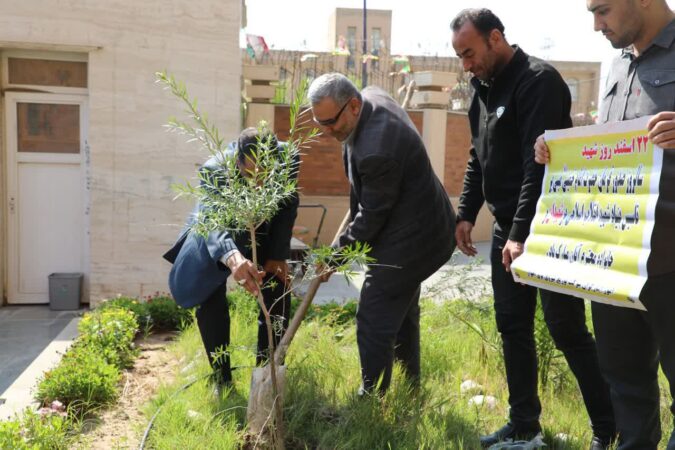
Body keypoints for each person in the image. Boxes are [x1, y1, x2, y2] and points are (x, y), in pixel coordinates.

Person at [450, 9, 616, 449]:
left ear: (496, 37)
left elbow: (535, 164)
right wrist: (466, 212)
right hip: (510, 228)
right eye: (460, 56)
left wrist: (522, 233)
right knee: (512, 325)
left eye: (470, 53)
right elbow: (477, 156)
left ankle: (607, 428)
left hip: (550, 227)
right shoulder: (481, 90)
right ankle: (524, 423)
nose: (466, 64)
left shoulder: (538, 82)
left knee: (566, 330)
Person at [534, 1, 675, 448]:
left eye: (603, 10)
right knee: (627, 389)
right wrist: (562, 151)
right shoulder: (617, 65)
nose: (597, 25)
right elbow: (610, 148)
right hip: (614, 262)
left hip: (672, 265)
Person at [307, 73, 456, 395]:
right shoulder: (369, 97)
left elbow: (370, 219)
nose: (327, 131)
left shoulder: (377, 150)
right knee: (400, 311)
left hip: (416, 235)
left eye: (331, 122)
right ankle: (409, 387)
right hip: (410, 218)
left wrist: (336, 256)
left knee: (374, 314)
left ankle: (372, 398)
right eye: (320, 123)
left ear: (354, 106)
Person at [163, 127, 298, 390]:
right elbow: (214, 222)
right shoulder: (215, 171)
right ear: (238, 160)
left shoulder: (288, 159)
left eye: (265, 175)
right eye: (252, 174)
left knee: (278, 289)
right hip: (216, 235)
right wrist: (233, 258)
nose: (260, 182)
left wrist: (277, 254)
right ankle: (221, 379)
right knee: (210, 299)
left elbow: (287, 204)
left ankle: (267, 374)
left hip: (262, 229)